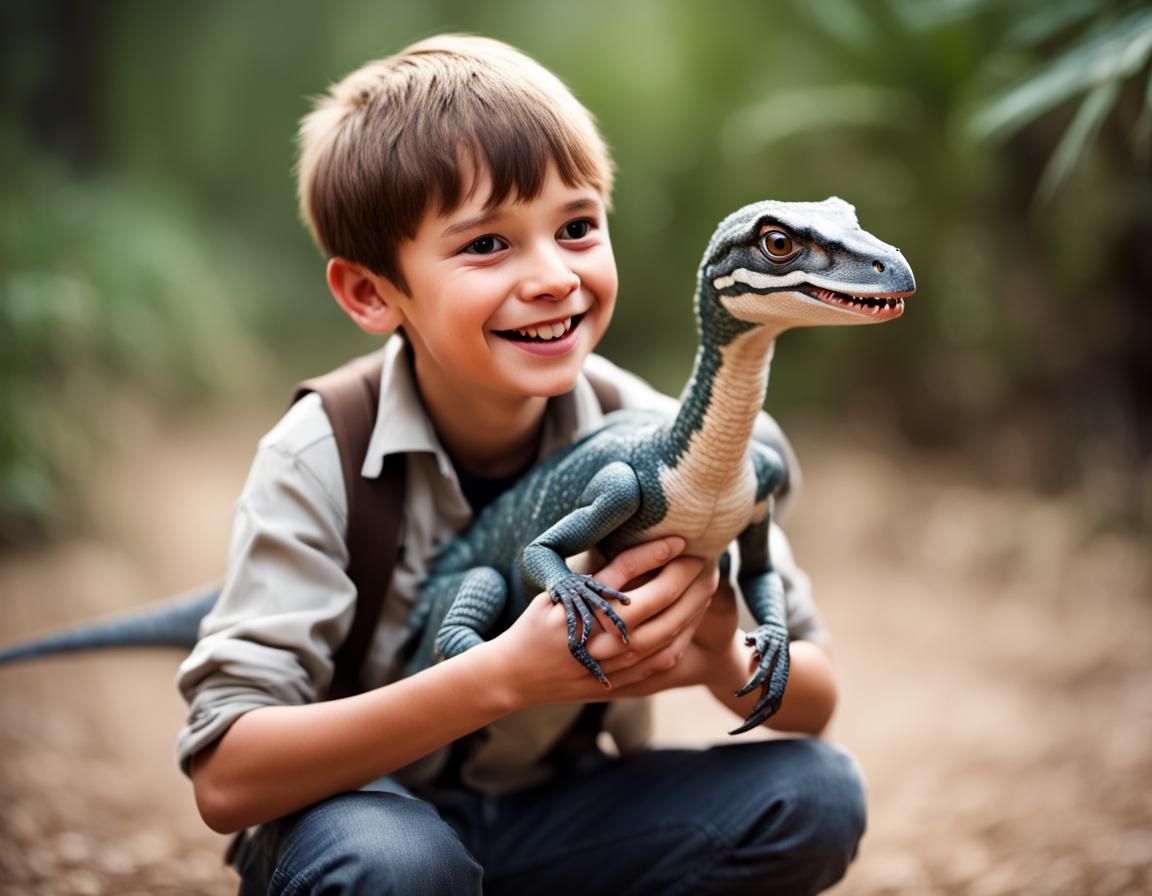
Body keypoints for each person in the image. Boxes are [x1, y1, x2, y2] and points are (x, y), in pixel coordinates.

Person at [177, 34, 866, 895]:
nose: (552, 278)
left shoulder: (666, 432)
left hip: (563, 811)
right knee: (391, 867)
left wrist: (725, 647)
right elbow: (226, 777)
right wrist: (500, 676)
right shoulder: (321, 451)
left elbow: (816, 699)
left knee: (817, 795)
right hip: (376, 808)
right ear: (370, 292)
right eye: (486, 245)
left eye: (577, 227)